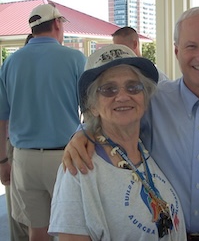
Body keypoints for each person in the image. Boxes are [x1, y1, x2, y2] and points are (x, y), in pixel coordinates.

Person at [63, 7, 199, 240]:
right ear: (177, 51)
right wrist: (82, 133)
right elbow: (112, 115)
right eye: (191, 46)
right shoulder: (153, 101)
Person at [48, 44, 186, 240]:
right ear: (93, 106)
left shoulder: (148, 149)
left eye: (133, 87)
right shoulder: (78, 170)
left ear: (144, 99)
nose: (122, 96)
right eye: (108, 89)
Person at [0, 3, 86, 241]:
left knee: (36, 231)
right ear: (57, 24)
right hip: (66, 158)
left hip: (24, 160)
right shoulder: (75, 58)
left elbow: (1, 118)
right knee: (74, 229)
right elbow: (91, 111)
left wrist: (2, 160)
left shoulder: (11, 62)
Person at [2, 35, 33, 241]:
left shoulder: (10, 66)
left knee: (19, 214)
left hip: (16, 148)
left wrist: (2, 160)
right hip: (58, 149)